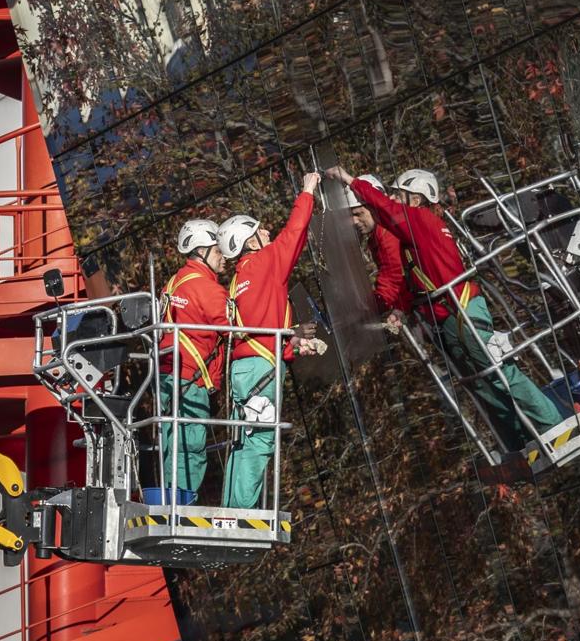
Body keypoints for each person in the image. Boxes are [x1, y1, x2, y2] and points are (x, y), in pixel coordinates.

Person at [325, 165, 562, 450]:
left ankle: (553, 425)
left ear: (416, 199)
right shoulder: (412, 234)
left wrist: (350, 181)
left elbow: (386, 220)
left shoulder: (422, 221)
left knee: (499, 371)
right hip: (445, 316)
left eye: (400, 196)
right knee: (480, 383)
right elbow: (407, 276)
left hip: (459, 310)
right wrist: (400, 309)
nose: (395, 201)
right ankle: (517, 441)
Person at [217, 171, 321, 509]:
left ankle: (233, 507)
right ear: (249, 242)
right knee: (259, 440)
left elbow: (259, 326)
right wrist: (307, 191)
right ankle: (240, 515)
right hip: (261, 368)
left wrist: (292, 346)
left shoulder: (238, 281)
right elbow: (294, 234)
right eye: (259, 230)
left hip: (243, 369)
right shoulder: (264, 263)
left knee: (242, 439)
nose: (266, 232)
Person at [158, 219, 228, 500]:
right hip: (190, 380)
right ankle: (181, 506)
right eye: (219, 250)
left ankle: (171, 500)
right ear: (203, 251)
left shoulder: (174, 283)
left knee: (172, 443)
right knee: (190, 447)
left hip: (169, 375)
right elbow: (238, 328)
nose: (224, 257)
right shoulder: (207, 288)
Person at [346, 173, 412, 331]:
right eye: (351, 215)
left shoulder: (385, 233)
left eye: (358, 214)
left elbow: (394, 276)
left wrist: (372, 308)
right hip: (409, 305)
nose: (354, 221)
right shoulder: (377, 234)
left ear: (373, 208)